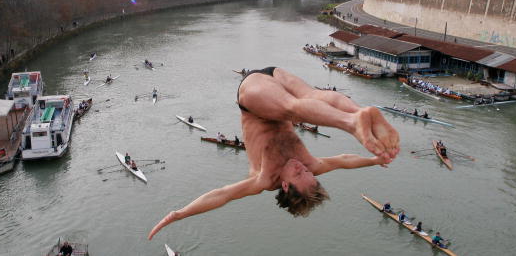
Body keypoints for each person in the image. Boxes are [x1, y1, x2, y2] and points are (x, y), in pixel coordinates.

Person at [148, 67, 399, 240]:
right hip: (275, 75)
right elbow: (344, 162)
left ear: (286, 186)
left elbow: (222, 196)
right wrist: (374, 160)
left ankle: (353, 121)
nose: (303, 167)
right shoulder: (310, 165)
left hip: (253, 95)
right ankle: (359, 113)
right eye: (308, 172)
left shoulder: (263, 178)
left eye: (300, 173)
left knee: (294, 109)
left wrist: (179, 214)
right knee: (311, 98)